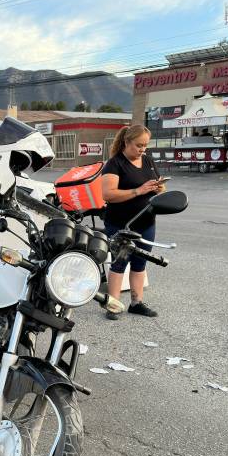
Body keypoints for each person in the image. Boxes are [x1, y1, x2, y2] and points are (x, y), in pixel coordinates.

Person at [101, 124, 164, 320]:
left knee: (140, 263)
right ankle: (113, 305)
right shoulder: (114, 164)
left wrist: (158, 189)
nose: (142, 150)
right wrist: (139, 190)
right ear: (127, 142)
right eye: (138, 145)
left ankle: (136, 303)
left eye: (145, 145)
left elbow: (158, 187)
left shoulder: (148, 161)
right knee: (119, 263)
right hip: (120, 224)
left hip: (146, 223)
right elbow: (108, 194)